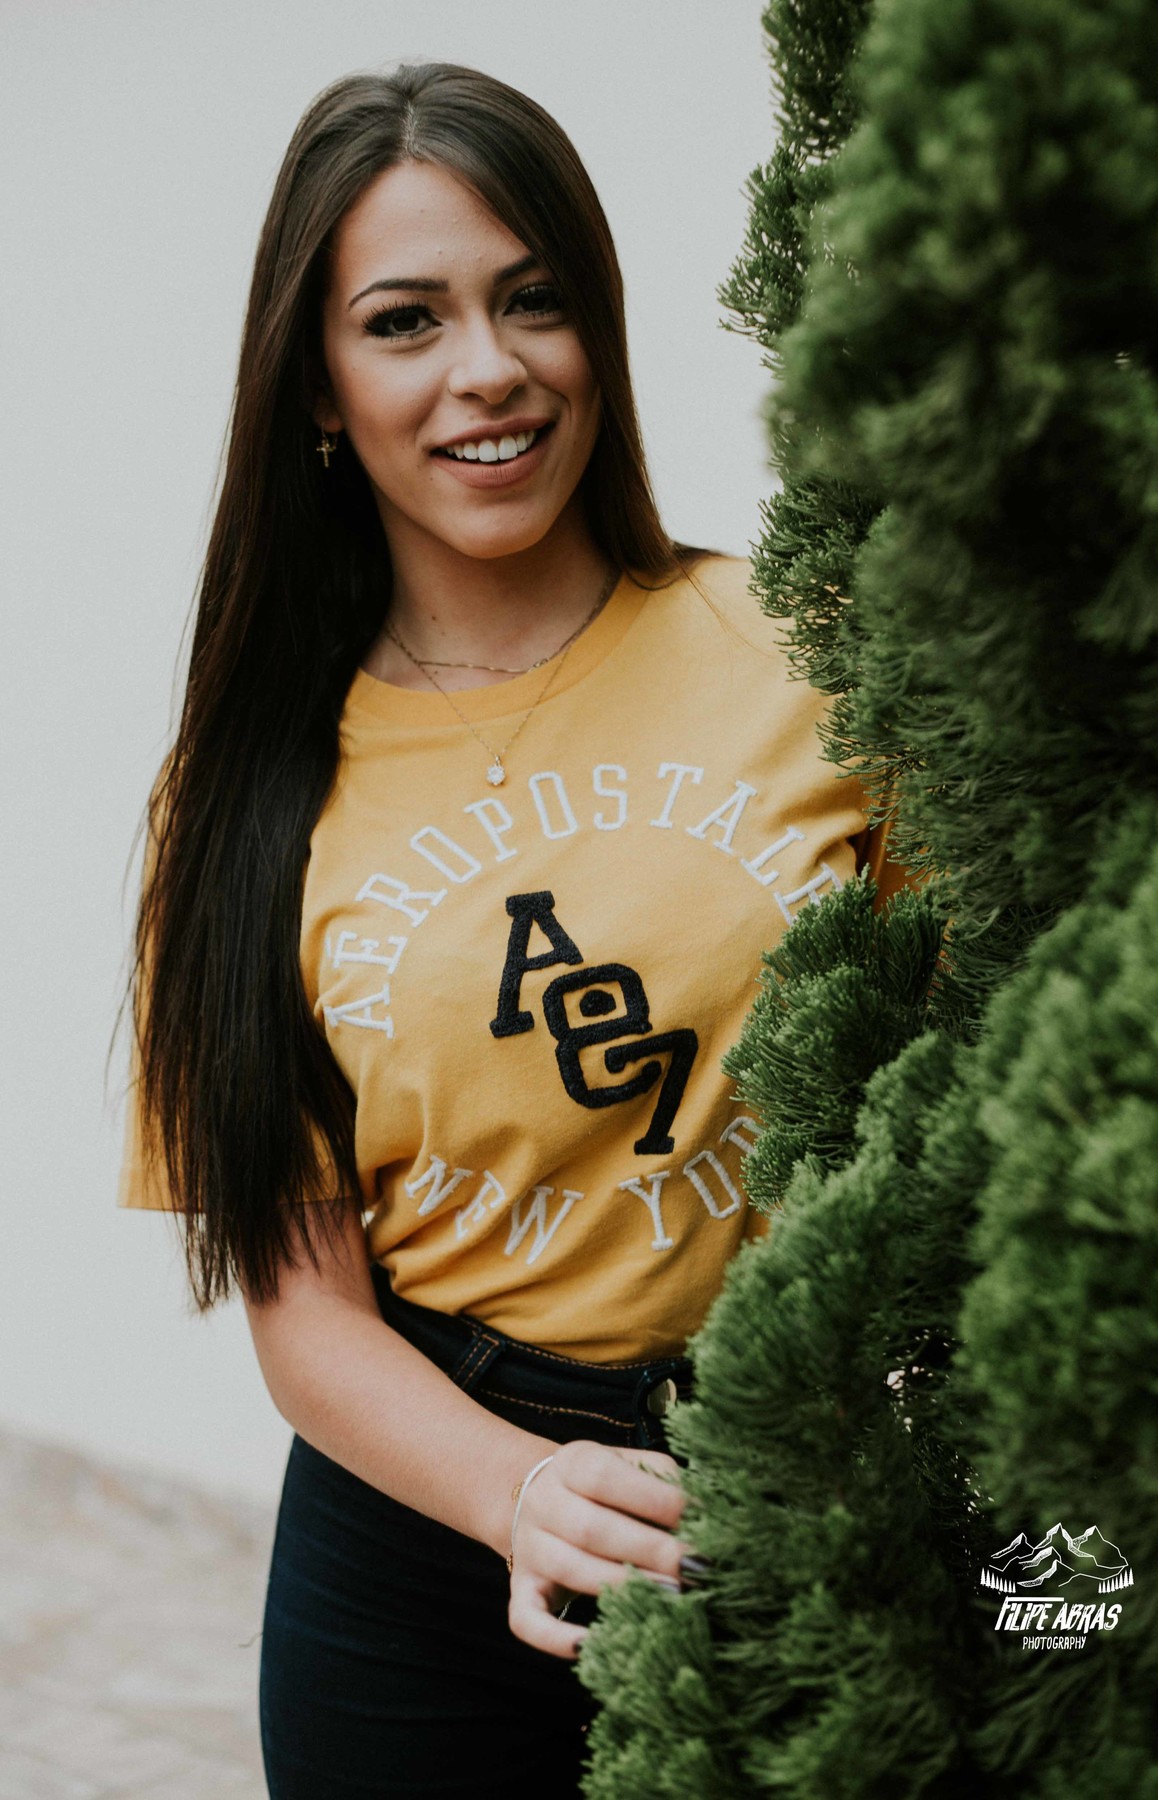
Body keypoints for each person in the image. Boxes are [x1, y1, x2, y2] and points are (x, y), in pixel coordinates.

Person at [117, 59, 909, 1800]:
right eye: (404, 321)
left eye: (531, 299)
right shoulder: (238, 798)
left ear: (595, 332)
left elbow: (966, 1091)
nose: (487, 368)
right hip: (426, 1554)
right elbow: (302, 1305)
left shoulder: (814, 638)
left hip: (813, 1474)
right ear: (318, 389)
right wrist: (516, 1488)